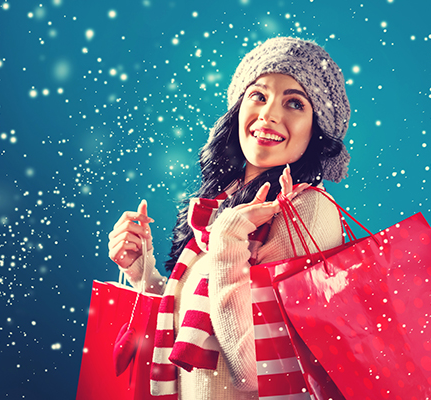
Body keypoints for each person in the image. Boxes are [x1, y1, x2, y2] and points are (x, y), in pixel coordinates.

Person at [108, 37, 351, 400]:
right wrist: (144, 273)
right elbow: (200, 327)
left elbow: (254, 367)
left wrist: (227, 239)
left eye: (295, 103)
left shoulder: (306, 211)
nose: (269, 114)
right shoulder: (226, 201)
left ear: (316, 129)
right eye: (258, 95)